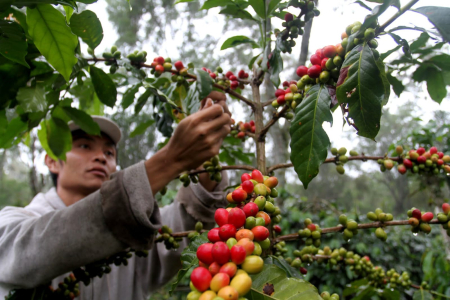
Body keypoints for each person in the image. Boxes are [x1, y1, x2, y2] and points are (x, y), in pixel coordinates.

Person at [0, 92, 232, 300]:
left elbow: (187, 222)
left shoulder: (137, 232)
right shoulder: (12, 224)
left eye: (109, 152)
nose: (101, 157)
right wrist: (170, 161)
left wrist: (203, 162)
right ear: (52, 161)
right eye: (84, 146)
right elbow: (31, 251)